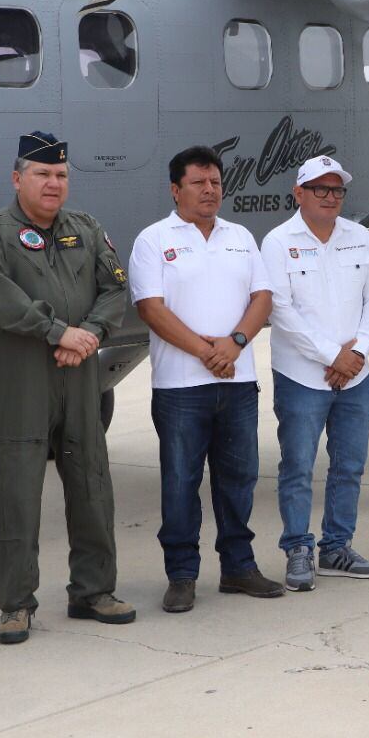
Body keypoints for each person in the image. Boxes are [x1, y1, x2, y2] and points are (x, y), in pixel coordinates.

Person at [0, 132, 131, 643]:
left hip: (79, 375)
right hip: (20, 379)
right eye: (42, 174)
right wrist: (60, 332)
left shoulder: (87, 228)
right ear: (17, 179)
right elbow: (0, 301)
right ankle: (15, 604)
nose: (53, 183)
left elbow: (115, 287)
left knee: (91, 481)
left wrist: (92, 335)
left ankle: (93, 590)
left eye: (60, 175)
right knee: (16, 491)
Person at [130, 146, 283, 612]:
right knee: (180, 484)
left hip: (237, 384)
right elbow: (150, 308)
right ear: (176, 190)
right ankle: (181, 575)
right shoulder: (153, 239)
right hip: (180, 388)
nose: (210, 190)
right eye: (199, 183)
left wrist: (234, 344)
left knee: (238, 480)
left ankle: (238, 567)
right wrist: (207, 352)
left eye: (215, 182)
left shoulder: (240, 236)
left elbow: (262, 296)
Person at [260, 156, 369, 591]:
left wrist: (359, 352)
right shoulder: (278, 242)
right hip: (302, 377)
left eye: (337, 191)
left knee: (349, 465)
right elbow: (280, 309)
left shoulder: (360, 237)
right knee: (297, 465)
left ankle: (336, 547)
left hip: (354, 376)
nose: (331, 198)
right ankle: (298, 548)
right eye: (321, 190)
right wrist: (332, 355)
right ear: (299, 194)